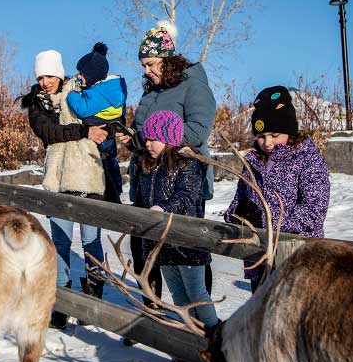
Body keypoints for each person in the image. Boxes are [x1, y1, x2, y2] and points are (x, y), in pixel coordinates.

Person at [116, 21, 216, 329]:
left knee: (189, 255)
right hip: (149, 181)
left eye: (150, 64)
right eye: (144, 65)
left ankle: (204, 328)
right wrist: (131, 140)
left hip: (182, 180)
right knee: (155, 256)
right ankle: (164, 324)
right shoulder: (150, 94)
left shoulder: (193, 85)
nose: (146, 70)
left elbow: (198, 131)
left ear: (167, 59)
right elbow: (147, 136)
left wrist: (166, 139)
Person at [17, 49, 108, 330]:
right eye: (40, 77)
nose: (45, 82)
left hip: (88, 176)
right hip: (58, 180)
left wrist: (102, 132)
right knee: (60, 243)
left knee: (91, 240)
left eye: (49, 75)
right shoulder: (37, 105)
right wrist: (83, 132)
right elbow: (50, 133)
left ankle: (94, 297)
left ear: (59, 73)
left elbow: (101, 115)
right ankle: (60, 301)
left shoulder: (77, 91)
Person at [224, 85, 331, 292]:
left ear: (289, 129)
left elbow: (314, 211)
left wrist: (264, 223)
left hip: (296, 259)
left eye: (274, 134)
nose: (267, 142)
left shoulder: (308, 160)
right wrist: (238, 216)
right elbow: (237, 202)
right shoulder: (253, 162)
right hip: (258, 259)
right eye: (261, 136)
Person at [136, 110, 218, 362]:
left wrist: (163, 209)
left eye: (153, 139)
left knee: (197, 295)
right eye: (146, 139)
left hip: (186, 242)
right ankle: (188, 347)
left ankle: (217, 343)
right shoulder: (148, 165)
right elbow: (142, 199)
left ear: (169, 138)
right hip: (162, 244)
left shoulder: (188, 163)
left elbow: (186, 196)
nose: (147, 143)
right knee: (179, 297)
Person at [66, 42, 128, 204]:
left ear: (94, 77)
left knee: (101, 161)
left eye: (82, 74)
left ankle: (111, 193)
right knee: (110, 159)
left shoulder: (100, 93)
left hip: (98, 130)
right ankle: (116, 187)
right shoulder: (112, 88)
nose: (79, 76)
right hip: (108, 130)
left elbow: (82, 109)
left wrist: (72, 95)